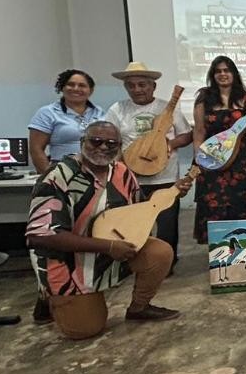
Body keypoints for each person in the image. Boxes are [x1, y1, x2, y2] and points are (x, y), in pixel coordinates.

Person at [27, 121, 189, 323]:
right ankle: (48, 297)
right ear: (82, 142)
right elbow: (40, 237)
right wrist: (108, 246)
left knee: (160, 252)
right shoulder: (57, 177)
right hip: (71, 263)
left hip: (111, 252)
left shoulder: (121, 172)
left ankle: (139, 307)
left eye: (112, 144)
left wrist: (171, 193)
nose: (104, 147)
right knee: (86, 329)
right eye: (96, 141)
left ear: (119, 147)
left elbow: (139, 209)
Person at [105, 61, 193, 261]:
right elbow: (109, 138)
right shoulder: (117, 109)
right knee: (132, 224)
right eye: (131, 85)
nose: (137, 89)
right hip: (130, 178)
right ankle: (134, 260)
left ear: (153, 86)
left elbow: (186, 135)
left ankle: (165, 262)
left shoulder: (167, 108)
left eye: (142, 84)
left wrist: (169, 145)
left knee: (167, 224)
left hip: (165, 177)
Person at [192, 56, 246, 243]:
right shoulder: (204, 98)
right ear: (213, 75)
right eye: (218, 71)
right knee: (214, 204)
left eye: (226, 70)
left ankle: (241, 246)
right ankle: (218, 249)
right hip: (211, 156)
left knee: (241, 202)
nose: (223, 74)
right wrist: (199, 157)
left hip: (240, 159)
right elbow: (199, 131)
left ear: (234, 73)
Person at [29, 69, 106, 173]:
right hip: (62, 171)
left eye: (82, 85)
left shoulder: (100, 112)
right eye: (71, 84)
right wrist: (48, 176)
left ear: (91, 90)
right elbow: (36, 149)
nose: (76, 88)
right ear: (62, 88)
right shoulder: (47, 113)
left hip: (97, 170)